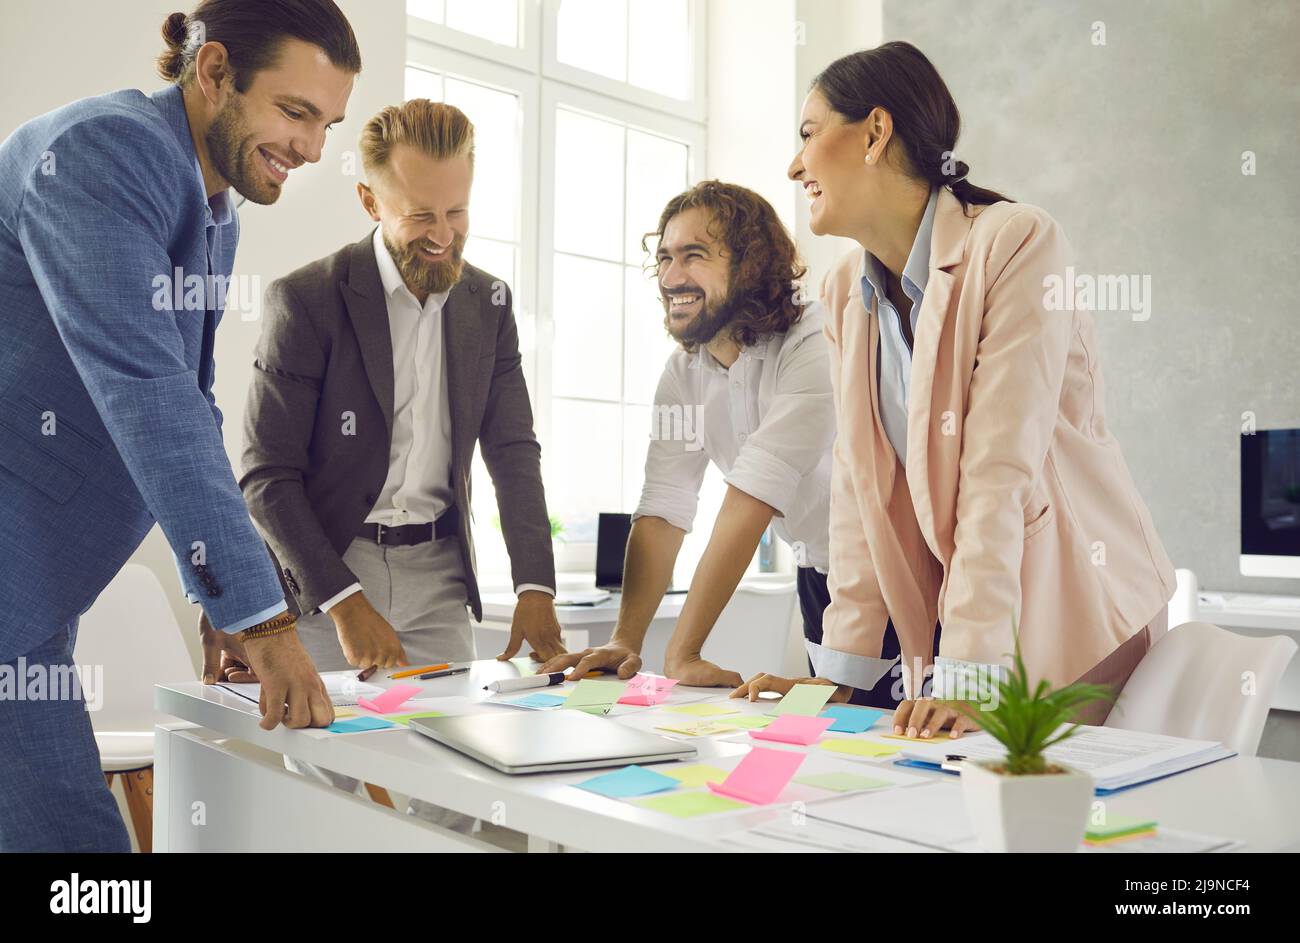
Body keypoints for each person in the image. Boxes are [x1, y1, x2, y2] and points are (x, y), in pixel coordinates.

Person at [0, 0, 362, 851]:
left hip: (38, 599)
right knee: (79, 856)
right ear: (213, 73)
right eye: (296, 111)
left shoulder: (210, 201)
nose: (313, 149)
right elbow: (145, 390)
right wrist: (264, 620)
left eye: (328, 123)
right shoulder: (101, 153)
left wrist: (223, 594)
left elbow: (190, 404)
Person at [736, 42, 1175, 738]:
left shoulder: (1017, 243)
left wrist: (967, 675)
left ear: (876, 132)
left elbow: (997, 476)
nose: (794, 165)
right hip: (976, 638)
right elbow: (860, 498)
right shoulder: (845, 293)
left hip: (1076, 616)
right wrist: (839, 676)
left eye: (809, 135)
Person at [240, 99, 564, 830]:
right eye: (421, 216)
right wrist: (345, 601)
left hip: (438, 573)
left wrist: (535, 583)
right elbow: (266, 475)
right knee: (328, 794)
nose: (443, 236)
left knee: (467, 790)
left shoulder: (489, 301)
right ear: (369, 199)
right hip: (328, 570)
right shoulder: (307, 299)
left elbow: (512, 449)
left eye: (458, 213)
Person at [540, 182, 842, 692]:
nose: (670, 277)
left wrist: (683, 652)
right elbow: (665, 505)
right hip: (817, 578)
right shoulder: (684, 374)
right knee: (836, 747)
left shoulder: (816, 338)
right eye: (664, 258)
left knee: (907, 742)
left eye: (693, 256)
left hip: (895, 574)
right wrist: (625, 641)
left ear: (750, 265)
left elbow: (755, 494)